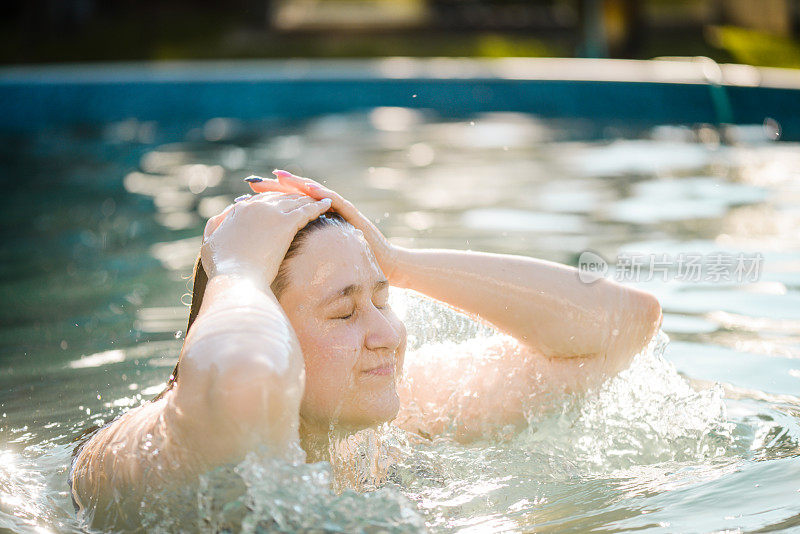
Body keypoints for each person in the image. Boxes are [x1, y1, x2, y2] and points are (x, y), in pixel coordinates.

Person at [70, 169, 662, 527]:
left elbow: (623, 325)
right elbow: (243, 384)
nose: (388, 334)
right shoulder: (166, 449)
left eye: (382, 301)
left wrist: (399, 262)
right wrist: (238, 265)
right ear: (267, 322)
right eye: (345, 310)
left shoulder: (390, 415)